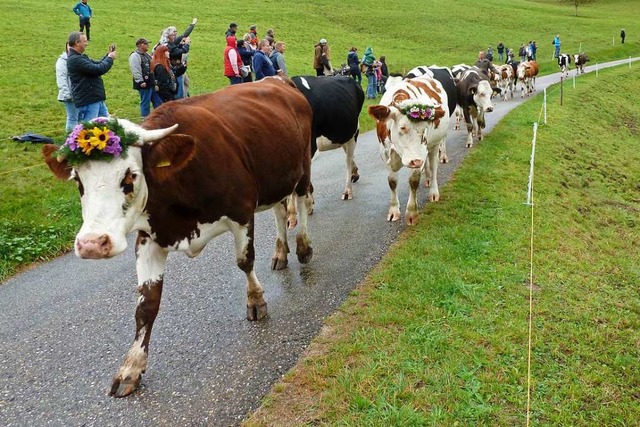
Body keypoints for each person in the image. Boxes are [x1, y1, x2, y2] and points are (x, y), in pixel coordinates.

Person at [66, 31, 115, 122]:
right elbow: (98, 69)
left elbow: (97, 64)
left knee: (107, 125)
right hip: (89, 100)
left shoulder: (80, 57)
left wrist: (107, 56)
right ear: (77, 42)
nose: (87, 44)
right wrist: (110, 58)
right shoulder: (75, 59)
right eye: (84, 41)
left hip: (95, 99)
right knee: (90, 128)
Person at [160, 18, 197, 99]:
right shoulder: (169, 45)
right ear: (168, 35)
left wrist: (192, 24)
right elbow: (182, 50)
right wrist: (186, 44)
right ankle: (181, 100)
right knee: (179, 89)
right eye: (173, 33)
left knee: (186, 83)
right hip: (175, 70)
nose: (175, 34)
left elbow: (183, 36)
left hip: (179, 68)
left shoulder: (171, 43)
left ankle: (185, 98)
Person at [129, 38, 162, 119]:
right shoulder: (135, 56)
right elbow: (135, 69)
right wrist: (140, 81)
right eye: (146, 44)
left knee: (158, 102)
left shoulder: (146, 55)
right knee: (145, 103)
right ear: (140, 45)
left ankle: (159, 118)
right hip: (144, 84)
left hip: (151, 83)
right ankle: (145, 120)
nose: (148, 45)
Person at [56, 42, 79, 133]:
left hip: (78, 94)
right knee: (72, 118)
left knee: (79, 117)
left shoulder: (77, 59)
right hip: (69, 94)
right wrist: (66, 94)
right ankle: (70, 139)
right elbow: (61, 78)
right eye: (68, 46)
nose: (70, 48)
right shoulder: (62, 61)